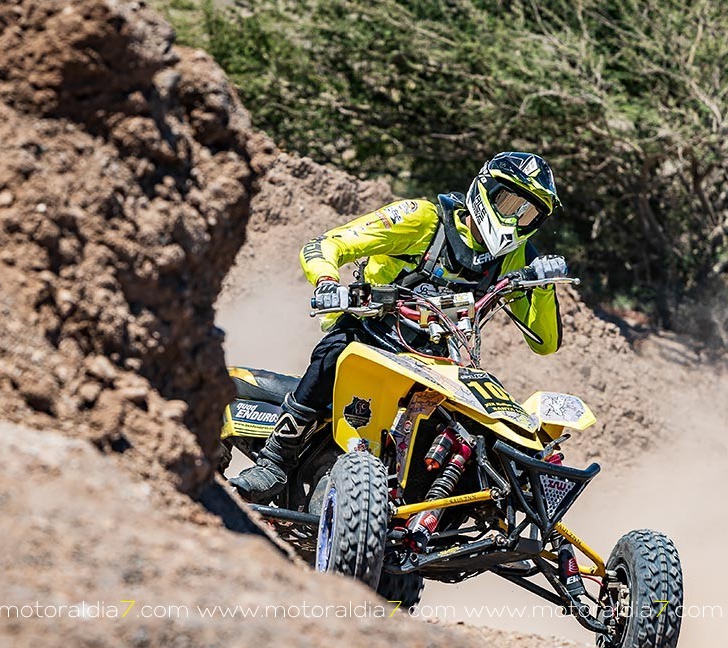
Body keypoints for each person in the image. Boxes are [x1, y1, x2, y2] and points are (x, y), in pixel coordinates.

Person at [230, 152, 569, 500]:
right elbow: (327, 245)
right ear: (486, 189)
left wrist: (543, 286)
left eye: (528, 213)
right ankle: (273, 463)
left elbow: (544, 342)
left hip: (440, 359)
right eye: (510, 203)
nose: (515, 220)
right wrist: (328, 283)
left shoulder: (519, 257)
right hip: (371, 332)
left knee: (473, 423)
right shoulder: (422, 219)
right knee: (333, 356)